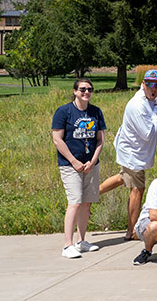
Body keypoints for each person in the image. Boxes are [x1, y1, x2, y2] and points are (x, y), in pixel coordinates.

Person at [99, 70, 157, 241]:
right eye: (150, 84)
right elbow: (148, 134)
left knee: (123, 177)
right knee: (137, 188)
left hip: (136, 151)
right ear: (143, 83)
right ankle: (133, 231)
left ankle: (91, 194)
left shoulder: (151, 99)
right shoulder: (138, 105)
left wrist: (156, 108)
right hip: (132, 153)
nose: (154, 88)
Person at [52, 78, 106, 258]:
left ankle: (81, 241)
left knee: (86, 203)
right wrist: (74, 161)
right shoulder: (64, 112)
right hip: (70, 165)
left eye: (90, 89)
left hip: (90, 165)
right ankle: (67, 245)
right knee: (74, 202)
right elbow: (57, 139)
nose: (86, 92)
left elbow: (100, 140)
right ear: (75, 91)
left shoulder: (95, 112)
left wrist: (93, 161)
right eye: (82, 89)